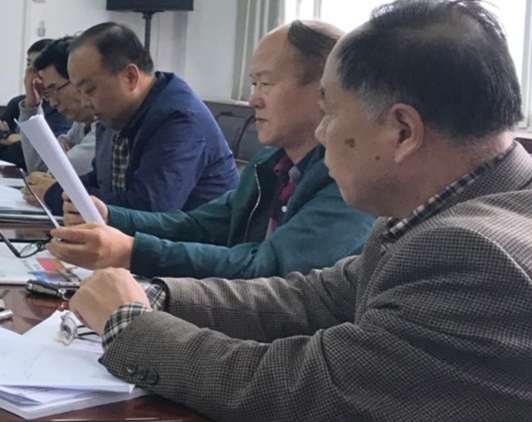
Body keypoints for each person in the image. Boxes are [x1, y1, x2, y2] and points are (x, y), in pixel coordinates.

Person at [70, 0, 532, 422]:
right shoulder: (437, 210)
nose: (320, 132)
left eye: (330, 112)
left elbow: (305, 390)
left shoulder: (479, 252)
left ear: (402, 131)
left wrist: (132, 328)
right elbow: (316, 297)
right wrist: (160, 297)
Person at [49, 20, 375, 279]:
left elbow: (269, 268)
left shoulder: (350, 181)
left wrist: (131, 252)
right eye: (253, 84)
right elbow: (200, 226)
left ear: (323, 89)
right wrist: (111, 216)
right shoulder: (271, 162)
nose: (253, 99)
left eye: (265, 83)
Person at [43, 22, 238, 214]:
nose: (85, 102)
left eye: (89, 89)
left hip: (194, 235)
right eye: (79, 91)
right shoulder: (115, 113)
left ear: (130, 77)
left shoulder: (179, 119)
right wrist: (60, 186)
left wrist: (55, 194)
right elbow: (101, 181)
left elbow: (148, 209)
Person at [19, 38, 100, 203]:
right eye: (47, 94)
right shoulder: (81, 124)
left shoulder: (107, 127)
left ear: (77, 80)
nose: (52, 102)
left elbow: (50, 178)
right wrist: (32, 105)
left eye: (53, 90)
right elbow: (40, 169)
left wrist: (53, 174)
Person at [0, 39, 72, 167]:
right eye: (29, 65)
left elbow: (32, 156)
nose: (31, 73)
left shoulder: (64, 107)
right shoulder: (20, 103)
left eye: (37, 67)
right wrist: (10, 136)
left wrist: (5, 142)